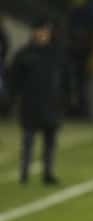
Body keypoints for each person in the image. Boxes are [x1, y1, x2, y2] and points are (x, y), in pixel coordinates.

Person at [10, 18, 65, 185]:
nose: (44, 34)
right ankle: (24, 173)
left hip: (51, 102)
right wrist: (13, 98)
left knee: (50, 141)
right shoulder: (23, 54)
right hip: (30, 103)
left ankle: (48, 173)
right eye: (41, 30)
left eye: (46, 31)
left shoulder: (56, 53)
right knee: (28, 141)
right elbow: (14, 79)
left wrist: (67, 97)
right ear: (34, 32)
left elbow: (64, 77)